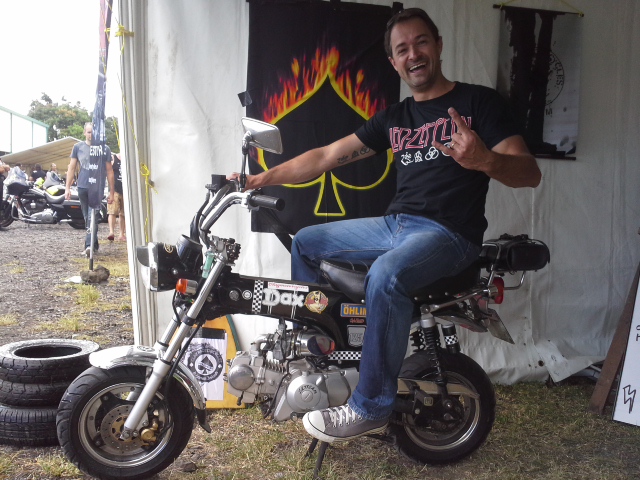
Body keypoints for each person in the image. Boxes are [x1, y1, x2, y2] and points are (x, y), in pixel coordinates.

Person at [230, 7, 541, 444]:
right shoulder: (395, 118)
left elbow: (529, 173)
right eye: (402, 49)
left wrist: (485, 159)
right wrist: (258, 179)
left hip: (449, 234)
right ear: (393, 62)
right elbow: (325, 156)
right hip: (396, 225)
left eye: (421, 42)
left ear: (438, 46)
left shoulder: (478, 104)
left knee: (386, 275)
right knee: (306, 243)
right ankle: (321, 352)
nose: (413, 54)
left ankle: (371, 406)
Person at [66, 122, 114, 257]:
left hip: (97, 187)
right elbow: (71, 168)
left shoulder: (104, 149)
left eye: (93, 132)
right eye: (88, 132)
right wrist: (67, 187)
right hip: (82, 186)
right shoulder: (78, 147)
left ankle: (89, 246)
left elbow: (109, 171)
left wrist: (111, 192)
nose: (91, 135)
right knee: (87, 217)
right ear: (84, 133)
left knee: (93, 216)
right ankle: (94, 244)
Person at [107, 153, 126, 242]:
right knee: (112, 211)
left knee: (123, 213)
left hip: (125, 190)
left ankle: (122, 234)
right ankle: (111, 232)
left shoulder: (127, 159)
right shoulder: (113, 158)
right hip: (114, 189)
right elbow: (108, 171)